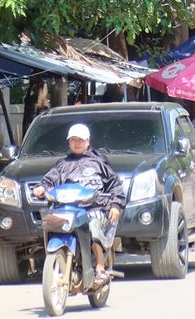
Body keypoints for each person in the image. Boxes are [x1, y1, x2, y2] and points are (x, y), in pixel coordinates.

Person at [32, 124, 125, 289]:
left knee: (94, 226)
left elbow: (115, 185)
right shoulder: (62, 164)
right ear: (68, 142)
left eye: (80, 140)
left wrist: (115, 205)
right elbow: (49, 179)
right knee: (52, 222)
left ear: (88, 141)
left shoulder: (99, 162)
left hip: (95, 208)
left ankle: (100, 268)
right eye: (73, 140)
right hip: (68, 209)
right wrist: (41, 188)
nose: (76, 143)